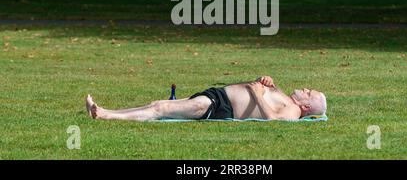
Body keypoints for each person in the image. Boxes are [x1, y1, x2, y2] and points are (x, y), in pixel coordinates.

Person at [85, 76, 327, 121]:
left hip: (218, 106)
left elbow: (272, 118)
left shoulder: (294, 113)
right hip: (217, 95)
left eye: (309, 93)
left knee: (161, 108)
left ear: (306, 106)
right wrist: (265, 82)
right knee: (159, 105)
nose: (306, 88)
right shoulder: (287, 97)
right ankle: (107, 112)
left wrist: (256, 92)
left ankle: (105, 114)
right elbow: (263, 94)